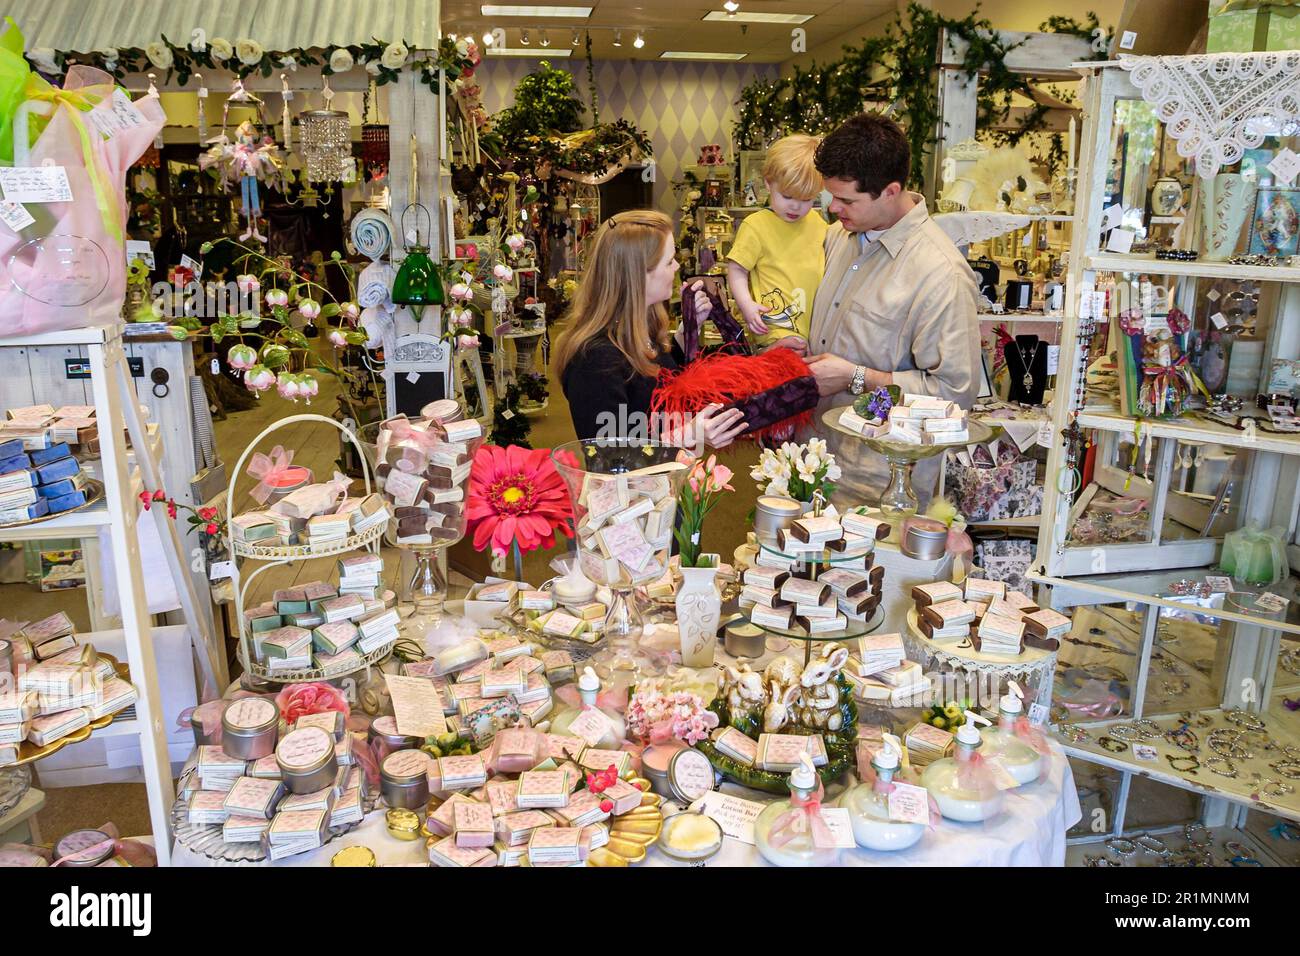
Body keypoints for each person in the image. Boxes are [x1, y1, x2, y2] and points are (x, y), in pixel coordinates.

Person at [803, 113, 981, 507]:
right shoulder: (840, 236)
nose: (833, 208)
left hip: (878, 483)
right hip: (813, 460)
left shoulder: (940, 274)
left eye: (846, 199)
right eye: (830, 196)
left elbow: (954, 395)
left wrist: (855, 378)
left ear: (890, 190)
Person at [553, 210, 748, 449]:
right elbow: (609, 456)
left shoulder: (637, 332)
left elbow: (657, 385)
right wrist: (688, 434)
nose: (677, 267)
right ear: (638, 276)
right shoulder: (594, 360)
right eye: (668, 261)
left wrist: (687, 333)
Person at [726, 134, 828, 354]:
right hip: (774, 333)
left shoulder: (818, 224)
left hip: (816, 332)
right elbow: (736, 269)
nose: (795, 207)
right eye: (788, 196)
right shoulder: (756, 225)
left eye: (806, 199)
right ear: (768, 183)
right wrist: (746, 304)